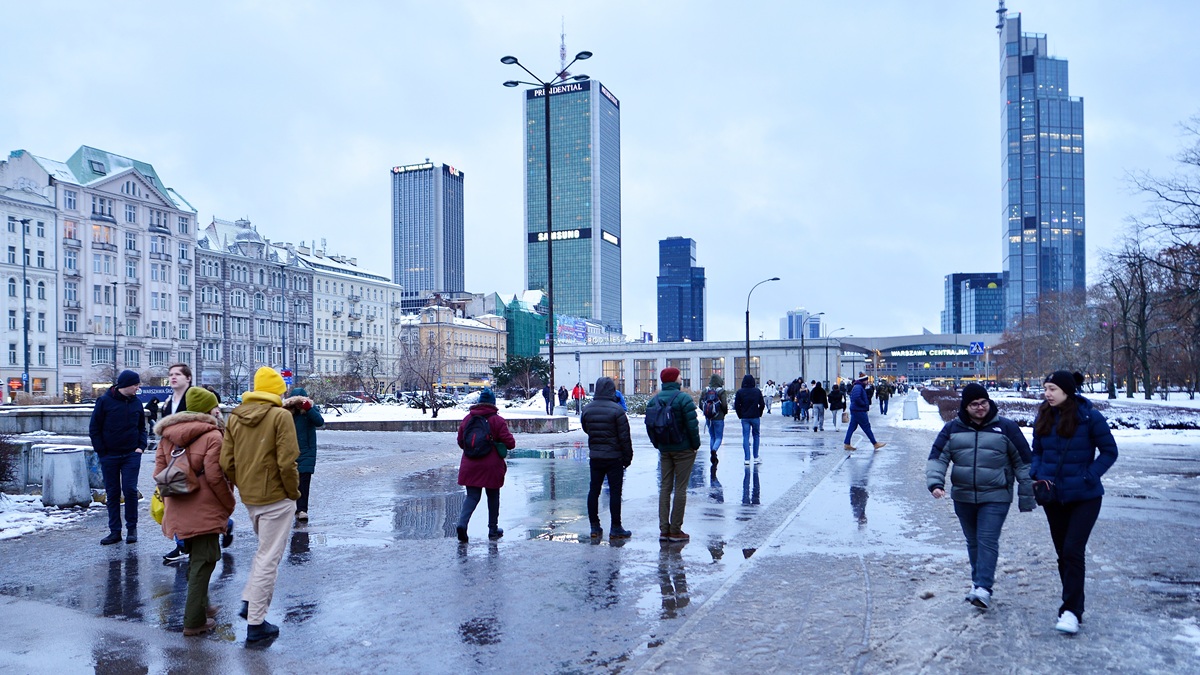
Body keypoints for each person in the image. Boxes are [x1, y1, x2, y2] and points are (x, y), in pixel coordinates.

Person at [926, 383, 1035, 611]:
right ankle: (978, 584)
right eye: (974, 404)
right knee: (973, 541)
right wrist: (936, 483)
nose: (980, 408)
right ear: (965, 407)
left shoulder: (1006, 428)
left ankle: (984, 587)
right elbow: (938, 457)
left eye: (983, 402)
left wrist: (1027, 496)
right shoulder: (952, 429)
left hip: (996, 496)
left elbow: (1024, 462)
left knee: (987, 540)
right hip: (963, 496)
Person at [1031, 370, 1119, 635]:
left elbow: (1109, 451)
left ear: (1067, 391)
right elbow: (1037, 451)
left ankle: (1071, 611)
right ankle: (1072, 605)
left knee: (1072, 550)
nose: (1047, 394)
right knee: (1063, 554)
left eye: (1052, 389)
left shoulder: (1090, 417)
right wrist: (1037, 472)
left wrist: (1088, 475)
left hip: (1085, 497)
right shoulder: (1043, 415)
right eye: (1045, 388)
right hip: (1052, 496)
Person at [221, 367, 301, 643]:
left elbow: (226, 462)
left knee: (263, 552)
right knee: (270, 558)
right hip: (277, 497)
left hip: (251, 497)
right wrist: (293, 494)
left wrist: (244, 483)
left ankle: (249, 600)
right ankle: (256, 622)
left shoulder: (235, 417)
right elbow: (288, 462)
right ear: (277, 390)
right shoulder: (280, 416)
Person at [155, 386, 235, 636]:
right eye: (215, 407)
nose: (219, 411)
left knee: (196, 560)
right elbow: (215, 476)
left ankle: (204, 606)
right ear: (207, 410)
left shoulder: (167, 435)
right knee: (205, 561)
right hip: (205, 508)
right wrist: (228, 502)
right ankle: (194, 621)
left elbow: (157, 472)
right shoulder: (213, 436)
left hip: (177, 507)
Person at [89, 369, 147, 545]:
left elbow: (142, 428)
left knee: (130, 490)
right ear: (126, 385)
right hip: (110, 456)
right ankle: (115, 531)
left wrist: (141, 447)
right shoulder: (104, 401)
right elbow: (94, 428)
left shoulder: (137, 403)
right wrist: (102, 451)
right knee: (112, 493)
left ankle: (132, 529)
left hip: (131, 454)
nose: (138, 388)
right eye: (136, 384)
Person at [646, 367, 701, 542]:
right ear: (674, 379)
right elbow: (692, 426)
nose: (681, 378)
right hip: (683, 449)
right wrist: (695, 445)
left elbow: (650, 426)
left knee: (665, 487)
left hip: (665, 449)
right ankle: (676, 530)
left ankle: (664, 530)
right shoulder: (684, 399)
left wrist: (658, 444)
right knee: (680, 488)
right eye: (679, 376)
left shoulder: (653, 401)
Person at [455, 388, 516, 542]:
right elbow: (510, 443)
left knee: (472, 496)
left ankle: (462, 524)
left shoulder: (468, 419)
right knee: (493, 496)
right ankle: (493, 529)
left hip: (470, 464)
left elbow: (461, 442)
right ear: (493, 403)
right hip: (492, 466)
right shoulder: (497, 420)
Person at [581, 377, 633, 539]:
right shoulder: (617, 411)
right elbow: (624, 438)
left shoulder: (587, 409)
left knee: (594, 491)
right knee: (615, 493)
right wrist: (627, 458)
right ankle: (616, 527)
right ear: (612, 390)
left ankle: (594, 526)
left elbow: (586, 429)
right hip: (614, 457)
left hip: (596, 456)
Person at [285, 387, 324, 522]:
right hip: (290, 452)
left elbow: (319, 422)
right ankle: (293, 508)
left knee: (304, 482)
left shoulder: (310, 412)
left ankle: (302, 510)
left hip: (306, 452)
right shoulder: (286, 414)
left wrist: (308, 409)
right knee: (291, 482)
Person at [844, 373, 886, 452]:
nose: (867, 382)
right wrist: (863, 404)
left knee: (852, 427)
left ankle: (847, 443)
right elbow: (857, 398)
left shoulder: (858, 387)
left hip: (856, 410)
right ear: (863, 380)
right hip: (859, 410)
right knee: (866, 427)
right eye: (866, 380)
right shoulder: (858, 387)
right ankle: (875, 443)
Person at [733, 374, 766, 465]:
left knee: (746, 437)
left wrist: (740, 415)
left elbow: (736, 406)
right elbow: (762, 404)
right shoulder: (757, 391)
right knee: (756, 436)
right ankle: (756, 457)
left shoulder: (740, 392)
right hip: (755, 416)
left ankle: (746, 458)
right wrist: (759, 413)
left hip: (745, 417)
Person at [701, 374, 729, 466]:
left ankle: (713, 455)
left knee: (712, 436)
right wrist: (724, 413)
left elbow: (701, 404)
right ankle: (714, 450)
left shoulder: (705, 390)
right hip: (719, 417)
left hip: (709, 418)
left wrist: (706, 412)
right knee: (719, 437)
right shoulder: (721, 391)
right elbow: (724, 405)